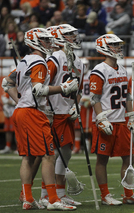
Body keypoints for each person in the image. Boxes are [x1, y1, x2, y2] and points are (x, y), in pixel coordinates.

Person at [2, 27, 78, 210]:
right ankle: (53, 199)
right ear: (35, 41)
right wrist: (63, 88)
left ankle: (28, 198)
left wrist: (20, 101)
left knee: (28, 157)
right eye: (44, 40)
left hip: (22, 111)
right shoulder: (39, 62)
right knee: (48, 156)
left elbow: (7, 83)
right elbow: (39, 90)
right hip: (33, 113)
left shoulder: (24, 61)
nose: (49, 43)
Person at [90, 34, 134, 205]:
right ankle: (105, 195)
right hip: (106, 121)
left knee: (130, 158)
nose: (118, 48)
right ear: (105, 48)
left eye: (118, 45)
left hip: (121, 121)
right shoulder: (99, 70)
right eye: (114, 45)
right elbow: (94, 97)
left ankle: (128, 194)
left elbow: (127, 95)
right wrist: (101, 118)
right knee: (102, 159)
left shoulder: (122, 69)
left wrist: (131, 115)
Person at [38, 24, 84, 207]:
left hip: (67, 111)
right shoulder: (55, 58)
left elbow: (77, 89)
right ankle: (45, 195)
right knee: (54, 153)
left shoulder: (78, 60)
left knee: (65, 153)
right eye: (69, 34)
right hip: (54, 111)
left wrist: (76, 106)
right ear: (59, 37)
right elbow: (43, 85)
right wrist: (46, 107)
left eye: (74, 33)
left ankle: (60, 193)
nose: (74, 37)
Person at [73, 58, 92, 154]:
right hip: (79, 103)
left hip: (89, 104)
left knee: (89, 127)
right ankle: (77, 147)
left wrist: (90, 100)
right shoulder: (77, 75)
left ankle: (88, 146)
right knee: (77, 127)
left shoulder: (92, 75)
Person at [0, 84, 17, 154]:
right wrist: (13, 102)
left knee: (16, 131)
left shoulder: (18, 88)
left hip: (15, 112)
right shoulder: (8, 88)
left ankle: (18, 148)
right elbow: (4, 99)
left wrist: (14, 103)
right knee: (8, 130)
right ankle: (8, 146)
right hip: (8, 112)